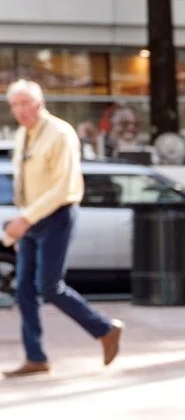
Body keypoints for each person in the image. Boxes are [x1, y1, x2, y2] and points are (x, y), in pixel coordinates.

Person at [4, 79, 122, 378]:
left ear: (39, 103)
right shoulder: (22, 135)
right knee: (24, 290)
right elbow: (23, 184)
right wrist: (23, 224)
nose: (20, 110)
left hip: (57, 215)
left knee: (48, 286)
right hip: (32, 219)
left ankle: (105, 329)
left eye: (25, 103)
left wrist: (25, 220)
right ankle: (36, 357)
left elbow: (62, 187)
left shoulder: (60, 133)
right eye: (15, 105)